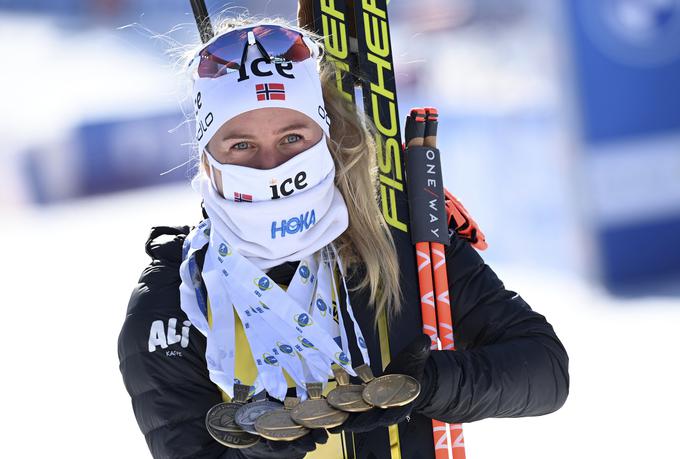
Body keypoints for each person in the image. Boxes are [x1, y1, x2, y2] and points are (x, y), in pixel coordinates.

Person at [117, 16, 570, 459]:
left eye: (293, 138)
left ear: (325, 137)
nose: (271, 166)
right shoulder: (176, 297)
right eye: (241, 145)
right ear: (207, 159)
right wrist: (260, 452)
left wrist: (429, 385)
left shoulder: (396, 237)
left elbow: (545, 371)